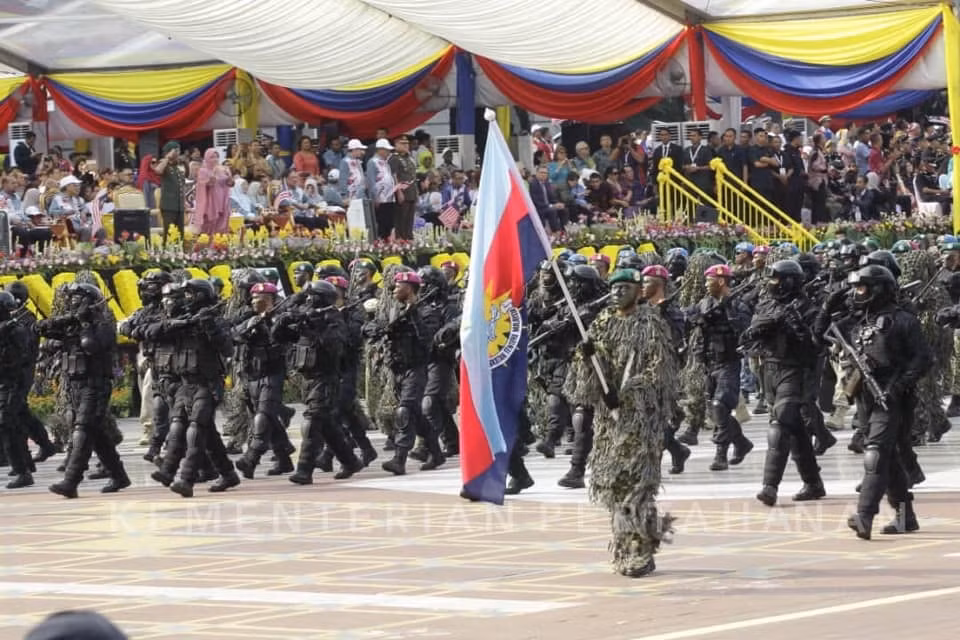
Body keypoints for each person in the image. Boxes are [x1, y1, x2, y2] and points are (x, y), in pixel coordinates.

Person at [567, 268, 678, 577]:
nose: (618, 292)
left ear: (637, 291)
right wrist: (588, 356)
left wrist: (630, 394)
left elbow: (660, 372)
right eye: (614, 288)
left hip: (641, 419)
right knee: (613, 487)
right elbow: (586, 382)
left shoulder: (651, 325)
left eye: (626, 287)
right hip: (608, 421)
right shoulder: (601, 324)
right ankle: (626, 544)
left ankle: (640, 551)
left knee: (637, 486)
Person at [819, 266, 931, 539]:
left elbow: (923, 359)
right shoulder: (856, 320)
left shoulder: (904, 320)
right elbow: (818, 335)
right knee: (888, 458)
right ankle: (907, 517)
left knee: (876, 453)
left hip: (892, 398)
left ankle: (865, 515)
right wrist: (827, 306)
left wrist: (899, 385)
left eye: (862, 288)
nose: (858, 293)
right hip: (865, 397)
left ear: (879, 289)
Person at [740, 260, 825, 506]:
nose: (772, 284)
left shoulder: (807, 308)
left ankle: (770, 486)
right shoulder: (767, 302)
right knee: (795, 429)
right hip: (769, 369)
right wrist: (761, 327)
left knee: (780, 425)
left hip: (795, 369)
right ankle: (813, 482)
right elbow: (750, 331)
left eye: (776, 279)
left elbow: (815, 345)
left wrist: (795, 325)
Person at [39, 284, 130, 498]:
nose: (73, 302)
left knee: (82, 429)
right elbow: (42, 330)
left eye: (78, 298)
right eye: (71, 298)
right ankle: (119, 475)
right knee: (95, 434)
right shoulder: (71, 323)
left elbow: (91, 346)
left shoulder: (103, 324)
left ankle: (71, 481)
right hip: (74, 384)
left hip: (95, 383)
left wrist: (85, 323)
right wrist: (66, 320)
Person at [192, 148, 233, 235]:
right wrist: (214, 173)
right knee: (210, 224)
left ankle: (220, 244)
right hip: (210, 201)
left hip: (222, 199)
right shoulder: (203, 171)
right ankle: (208, 245)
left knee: (222, 222)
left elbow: (230, 184)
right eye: (212, 157)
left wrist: (229, 176)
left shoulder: (223, 169)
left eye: (217, 157)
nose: (215, 159)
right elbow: (207, 183)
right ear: (206, 158)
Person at [156, 141, 186, 242]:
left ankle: (179, 255)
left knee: (180, 234)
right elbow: (158, 170)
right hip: (169, 206)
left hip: (179, 206)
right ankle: (167, 256)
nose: (178, 153)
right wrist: (167, 157)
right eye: (175, 151)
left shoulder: (177, 167)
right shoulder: (164, 164)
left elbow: (185, 180)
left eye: (179, 151)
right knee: (169, 233)